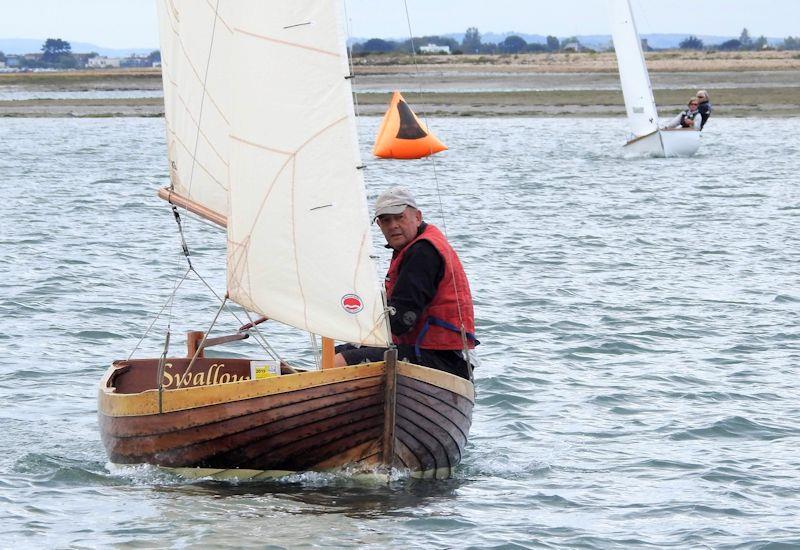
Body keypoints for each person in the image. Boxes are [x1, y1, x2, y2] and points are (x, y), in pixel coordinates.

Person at [333, 187, 478, 380]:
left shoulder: (422, 252)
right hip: (431, 353)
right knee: (330, 355)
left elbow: (402, 320)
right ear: (379, 225)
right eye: (386, 220)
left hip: (443, 361)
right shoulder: (413, 247)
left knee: (338, 361)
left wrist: (354, 326)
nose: (393, 225)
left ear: (417, 217)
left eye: (399, 217)